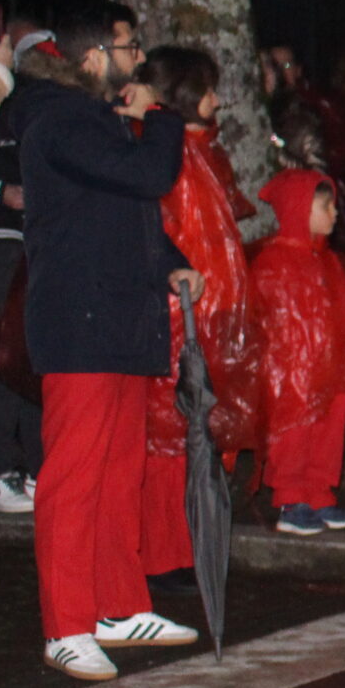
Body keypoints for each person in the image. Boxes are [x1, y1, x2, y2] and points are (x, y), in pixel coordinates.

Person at [15, 3, 202, 680]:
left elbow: (128, 212)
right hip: (80, 322)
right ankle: (66, 624)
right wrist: (162, 116)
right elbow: (150, 176)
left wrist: (169, 262)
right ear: (94, 59)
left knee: (120, 473)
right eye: (128, 48)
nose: (138, 60)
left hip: (118, 319)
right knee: (74, 477)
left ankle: (118, 606)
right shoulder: (59, 118)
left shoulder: (95, 123)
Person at [137, 47, 262, 583]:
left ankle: (191, 546)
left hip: (211, 315)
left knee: (199, 437)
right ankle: (166, 554)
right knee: (171, 438)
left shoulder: (203, 152)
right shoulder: (172, 156)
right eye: (207, 89)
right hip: (182, 314)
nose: (217, 99)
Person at [250, 168, 345, 532]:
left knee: (328, 434)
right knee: (294, 436)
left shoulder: (328, 261)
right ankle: (291, 498)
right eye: (326, 206)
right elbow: (268, 321)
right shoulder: (274, 263)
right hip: (293, 377)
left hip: (331, 371)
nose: (334, 214)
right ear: (300, 209)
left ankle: (319, 493)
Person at [0, 18, 46, 511]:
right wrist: (4, 194)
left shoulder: (36, 108)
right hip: (0, 245)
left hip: (38, 248)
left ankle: (39, 469)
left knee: (31, 357)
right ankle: (1, 471)